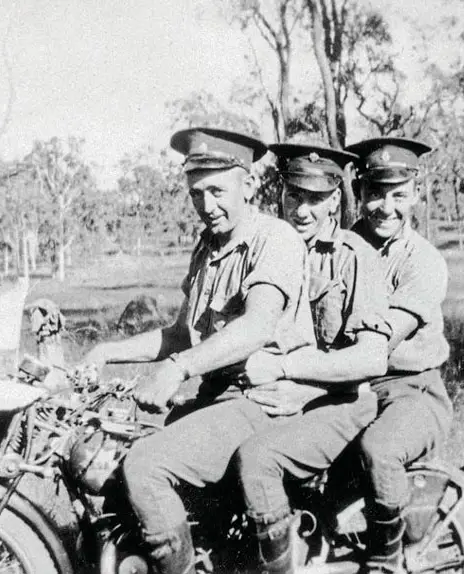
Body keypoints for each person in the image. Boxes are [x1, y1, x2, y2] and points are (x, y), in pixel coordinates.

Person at [83, 127, 315, 574]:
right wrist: (108, 351)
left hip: (264, 400)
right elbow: (182, 335)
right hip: (219, 399)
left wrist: (177, 370)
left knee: (145, 466)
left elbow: (255, 327)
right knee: (121, 448)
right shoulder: (208, 247)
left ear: (247, 184)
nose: (207, 205)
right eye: (196, 194)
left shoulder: (275, 239)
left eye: (217, 191)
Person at [232, 143, 392, 574]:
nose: (302, 210)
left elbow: (371, 360)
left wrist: (297, 381)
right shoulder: (266, 249)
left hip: (341, 401)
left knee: (257, 459)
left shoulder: (353, 257)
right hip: (274, 394)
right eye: (293, 196)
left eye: (315, 199)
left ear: (335, 200)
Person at [342, 136, 454, 573]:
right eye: (374, 193)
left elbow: (379, 346)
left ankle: (386, 561)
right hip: (351, 387)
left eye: (399, 195)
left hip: (412, 392)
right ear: (360, 193)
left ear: (416, 196)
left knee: (381, 449)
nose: (385, 207)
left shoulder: (423, 262)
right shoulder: (343, 247)